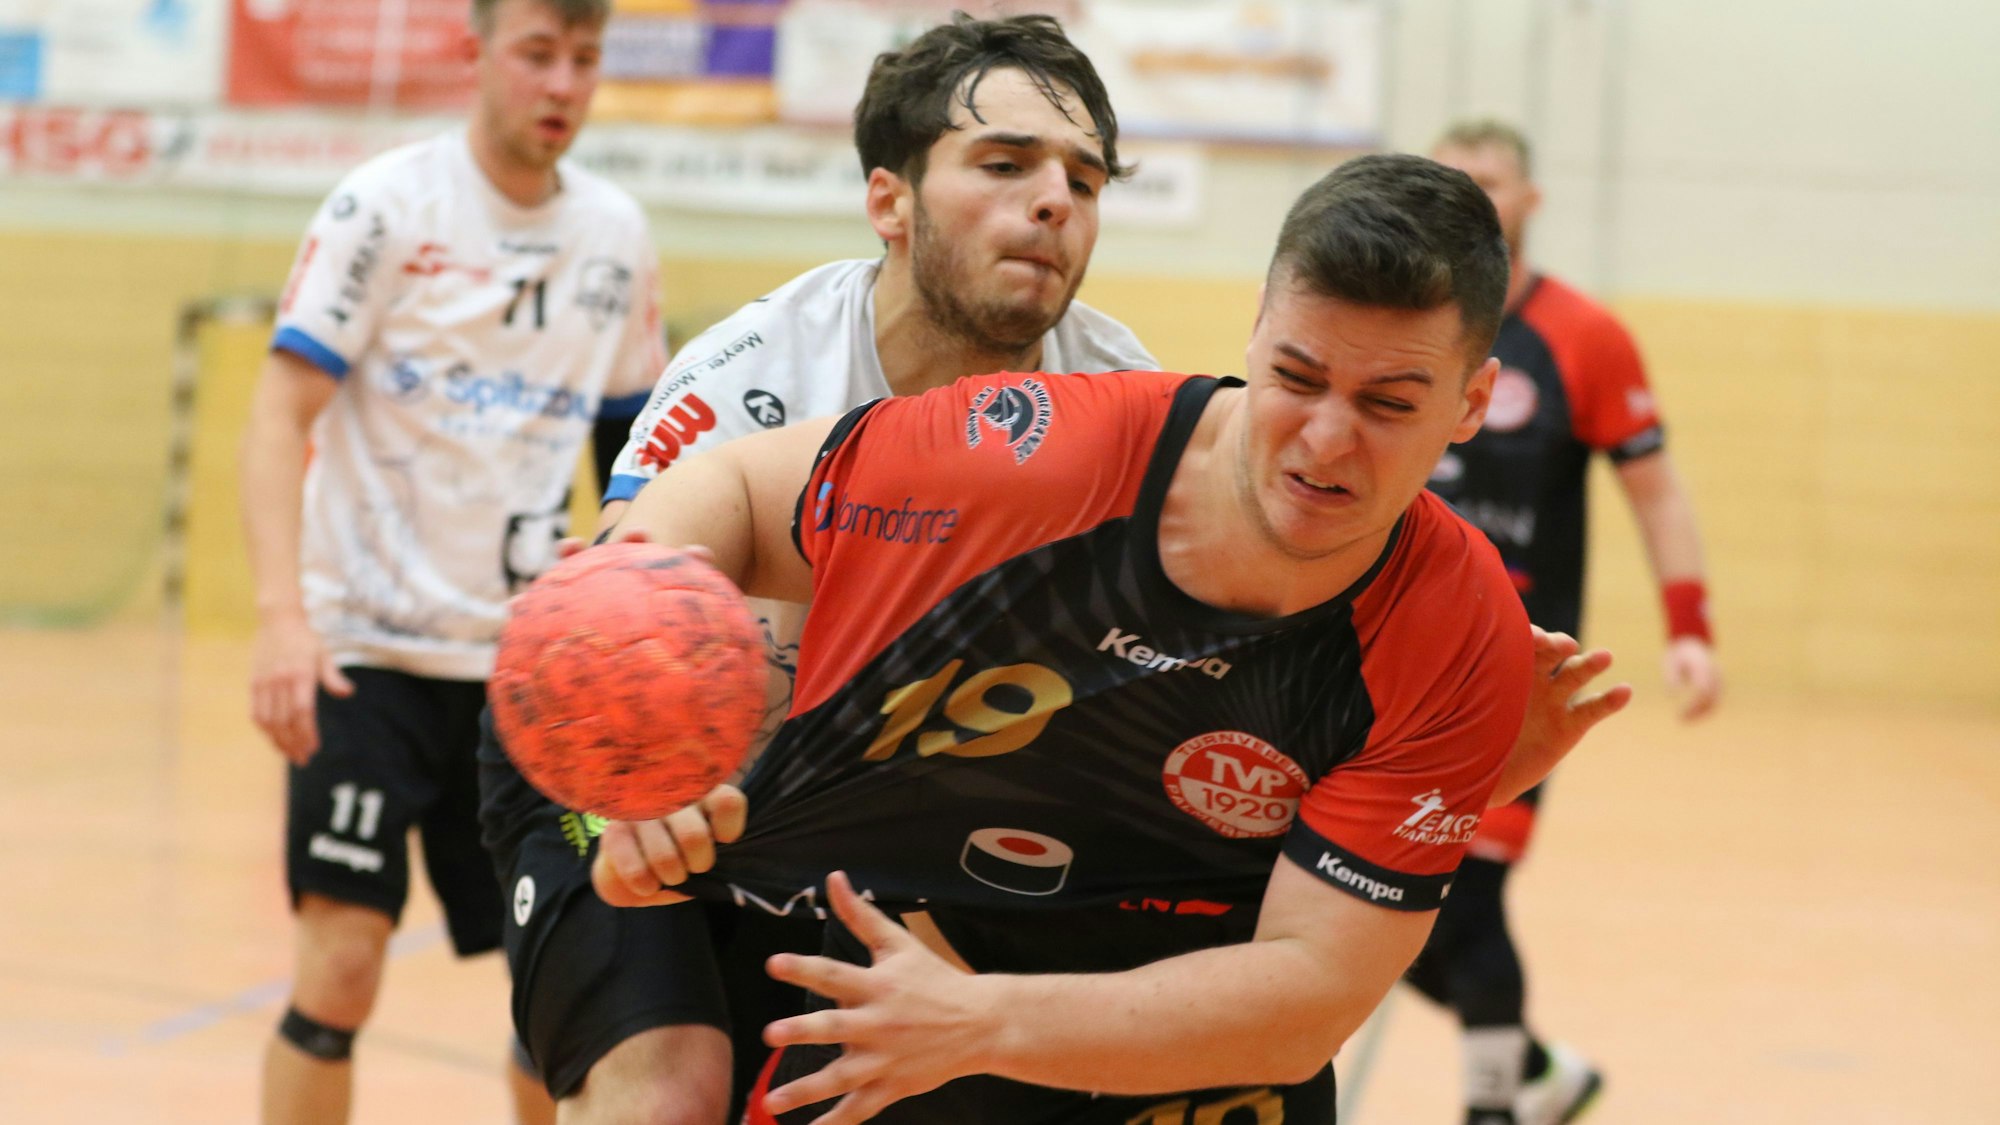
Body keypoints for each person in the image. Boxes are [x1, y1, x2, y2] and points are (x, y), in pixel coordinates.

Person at [588, 152, 1630, 1125]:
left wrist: (984, 1021)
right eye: (1297, 378)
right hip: (910, 996)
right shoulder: (1035, 461)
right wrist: (646, 733)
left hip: (1185, 1056)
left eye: (1387, 404)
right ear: (1256, 332)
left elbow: (1307, 995)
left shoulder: (1455, 632)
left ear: (1471, 404)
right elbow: (718, 489)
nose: (1324, 439)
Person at [474, 12, 1156, 1124]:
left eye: (1084, 180)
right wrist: (635, 788)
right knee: (672, 1095)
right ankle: (588, 1016)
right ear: (888, 201)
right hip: (621, 756)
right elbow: (601, 620)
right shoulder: (755, 373)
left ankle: (565, 1026)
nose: (1052, 202)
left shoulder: (1122, 405)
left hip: (856, 809)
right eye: (1002, 164)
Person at [237, 0, 664, 1119]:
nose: (561, 82)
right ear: (476, 56)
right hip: (365, 658)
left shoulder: (615, 234)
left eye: (583, 58)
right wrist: (283, 618)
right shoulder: (384, 206)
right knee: (339, 967)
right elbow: (280, 415)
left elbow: (634, 459)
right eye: (536, 53)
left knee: (559, 994)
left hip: (532, 675)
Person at [1413, 118, 1723, 1125]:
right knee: (1360, 903)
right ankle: (1539, 1075)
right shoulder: (1405, 321)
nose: (1469, 191)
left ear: (1527, 199)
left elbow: (1656, 493)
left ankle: (1494, 1107)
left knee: (1471, 900)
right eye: (1449, 178)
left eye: (1488, 178)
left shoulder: (1582, 336)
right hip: (1381, 660)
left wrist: (1689, 627)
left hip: (1515, 669)